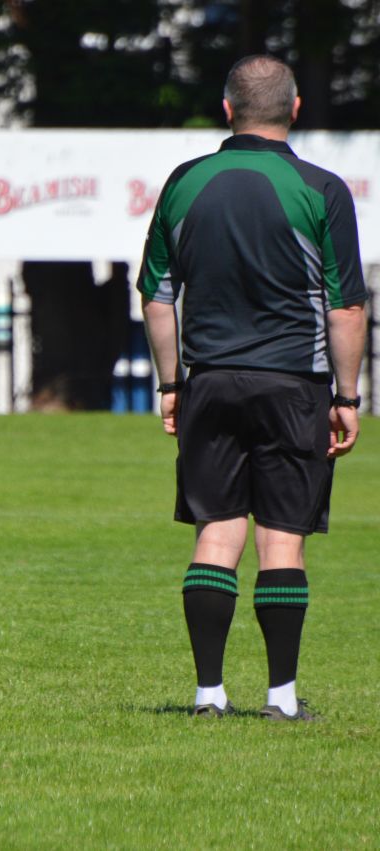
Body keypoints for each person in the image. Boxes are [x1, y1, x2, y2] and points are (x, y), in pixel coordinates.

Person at [138, 55, 368, 721]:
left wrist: (172, 382)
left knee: (216, 531)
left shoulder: (184, 182)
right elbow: (347, 307)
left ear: (226, 108)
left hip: (209, 381)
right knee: (282, 537)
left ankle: (209, 694)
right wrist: (346, 396)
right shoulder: (322, 188)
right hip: (293, 384)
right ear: (295, 109)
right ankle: (282, 698)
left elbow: (156, 295)